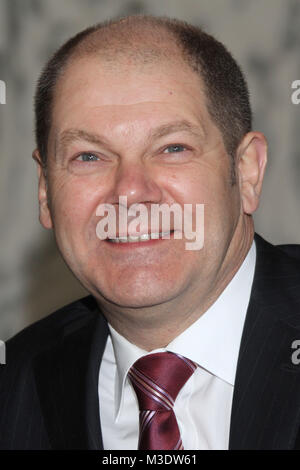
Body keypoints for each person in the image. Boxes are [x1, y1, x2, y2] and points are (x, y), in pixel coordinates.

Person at [1, 14, 300, 451]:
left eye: (172, 148)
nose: (129, 192)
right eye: (88, 156)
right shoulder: (14, 387)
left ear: (247, 171)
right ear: (46, 190)